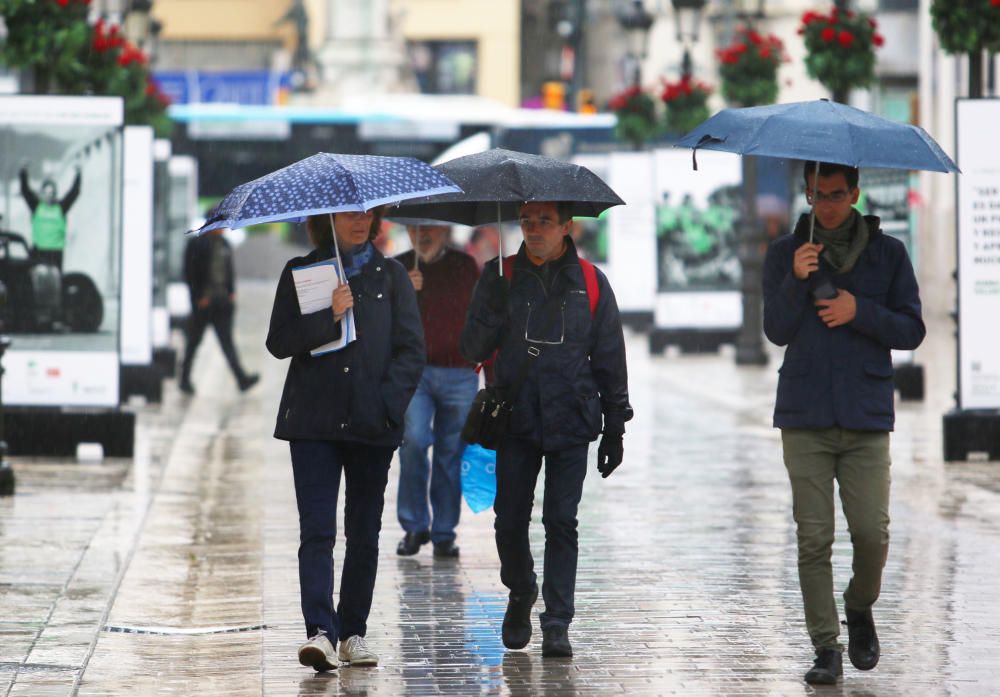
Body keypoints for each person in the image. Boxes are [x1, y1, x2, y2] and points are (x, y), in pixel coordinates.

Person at [762, 161, 925, 686]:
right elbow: (776, 330)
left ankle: (858, 605)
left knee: (872, 535)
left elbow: (912, 330)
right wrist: (795, 280)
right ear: (806, 195)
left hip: (866, 413)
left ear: (855, 193)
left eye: (835, 194)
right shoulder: (786, 254)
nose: (825, 205)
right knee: (813, 538)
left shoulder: (889, 255)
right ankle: (826, 646)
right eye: (815, 195)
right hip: (805, 414)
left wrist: (861, 311)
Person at [460, 201, 633, 658]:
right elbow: (471, 348)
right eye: (527, 221)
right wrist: (491, 309)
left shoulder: (592, 283)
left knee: (562, 521)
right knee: (509, 519)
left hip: (571, 417)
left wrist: (615, 424)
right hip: (515, 417)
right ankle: (520, 589)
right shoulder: (498, 276)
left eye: (544, 222)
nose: (534, 230)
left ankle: (558, 620)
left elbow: (610, 357)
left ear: (566, 226)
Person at [266, 209, 425, 671]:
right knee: (317, 529)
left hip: (371, 427)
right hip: (313, 422)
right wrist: (328, 315)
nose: (359, 221)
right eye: (348, 214)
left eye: (366, 214)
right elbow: (279, 341)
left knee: (364, 533)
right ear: (327, 219)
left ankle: (353, 631)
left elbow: (412, 350)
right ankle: (320, 631)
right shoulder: (302, 272)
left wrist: (386, 406)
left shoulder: (392, 276)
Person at [394, 224, 480, 559]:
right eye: (414, 227)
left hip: (460, 372)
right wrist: (404, 290)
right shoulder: (398, 267)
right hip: (414, 373)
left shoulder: (465, 266)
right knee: (413, 441)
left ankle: (444, 532)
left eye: (430, 227)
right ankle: (415, 526)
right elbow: (381, 321)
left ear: (445, 230)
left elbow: (482, 315)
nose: (422, 234)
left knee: (451, 453)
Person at [179, 227, 259, 394]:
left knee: (227, 343)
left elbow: (229, 271)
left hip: (222, 303)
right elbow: (189, 272)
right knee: (193, 342)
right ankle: (184, 379)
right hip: (204, 304)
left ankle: (241, 379)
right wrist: (198, 297)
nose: (223, 229)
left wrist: (231, 293)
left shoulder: (225, 244)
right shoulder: (197, 244)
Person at [19, 162, 81, 270]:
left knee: (54, 283)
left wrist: (78, 175)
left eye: (52, 193)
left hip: (55, 253)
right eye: (46, 192)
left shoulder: (61, 208)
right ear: (42, 194)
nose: (49, 195)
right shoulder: (36, 206)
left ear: (55, 194)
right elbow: (25, 191)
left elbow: (73, 193)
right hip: (38, 251)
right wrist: (23, 172)